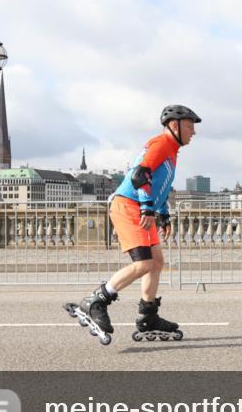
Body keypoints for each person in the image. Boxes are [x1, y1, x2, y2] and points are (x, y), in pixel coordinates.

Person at [78, 105, 201, 339]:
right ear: (174, 126)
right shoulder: (161, 143)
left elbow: (159, 186)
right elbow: (140, 175)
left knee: (156, 262)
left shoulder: (171, 150)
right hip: (129, 206)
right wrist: (147, 208)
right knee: (144, 264)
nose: (193, 132)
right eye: (189, 126)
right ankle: (96, 301)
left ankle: (148, 315)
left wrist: (163, 213)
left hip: (139, 207)